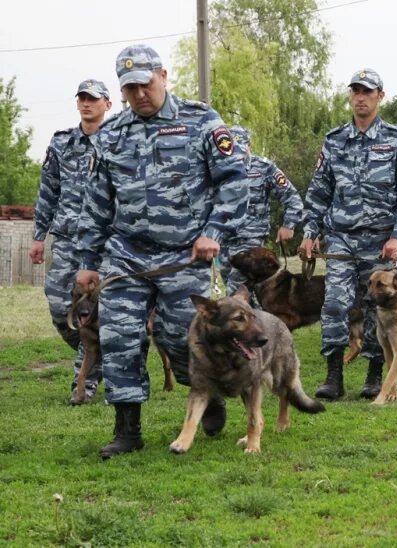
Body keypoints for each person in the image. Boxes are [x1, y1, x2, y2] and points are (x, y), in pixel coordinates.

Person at [75, 44, 249, 458]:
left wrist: (213, 231)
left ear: (164, 77)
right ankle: (127, 429)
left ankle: (210, 393)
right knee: (119, 336)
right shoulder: (112, 134)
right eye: (129, 88)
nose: (139, 94)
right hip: (127, 256)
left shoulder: (201, 121)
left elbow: (234, 180)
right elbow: (97, 202)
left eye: (145, 84)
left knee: (181, 338)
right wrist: (86, 261)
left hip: (185, 255)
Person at [299, 68, 397, 401]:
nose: (360, 97)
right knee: (335, 303)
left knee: (377, 305)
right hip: (341, 238)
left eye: (367, 91)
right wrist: (310, 232)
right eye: (355, 91)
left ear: (380, 96)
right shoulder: (334, 139)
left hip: (382, 241)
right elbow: (319, 192)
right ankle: (334, 376)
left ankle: (374, 374)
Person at [29, 79, 112, 403]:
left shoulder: (118, 140)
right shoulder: (62, 143)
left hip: (105, 241)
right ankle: (97, 352)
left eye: (93, 98)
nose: (86, 103)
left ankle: (84, 384)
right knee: (60, 308)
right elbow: (48, 191)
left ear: (107, 103)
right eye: (82, 98)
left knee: (98, 311)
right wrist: (39, 235)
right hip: (66, 238)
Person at [219, 125, 304, 294]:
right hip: (224, 240)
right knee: (248, 294)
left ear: (249, 146)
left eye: (241, 150)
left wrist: (289, 224)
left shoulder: (264, 168)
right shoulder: (218, 168)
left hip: (252, 240)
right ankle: (262, 319)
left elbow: (292, 197)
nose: (237, 155)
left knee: (235, 291)